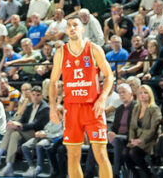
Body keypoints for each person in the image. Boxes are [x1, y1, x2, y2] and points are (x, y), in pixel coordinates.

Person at [48, 17, 115, 178]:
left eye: (75, 25)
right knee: (72, 156)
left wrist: (103, 98)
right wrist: (52, 107)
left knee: (101, 154)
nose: (72, 28)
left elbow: (109, 75)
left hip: (93, 107)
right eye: (69, 26)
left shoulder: (94, 49)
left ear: (82, 28)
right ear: (66, 31)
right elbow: (53, 81)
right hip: (71, 108)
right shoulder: (61, 52)